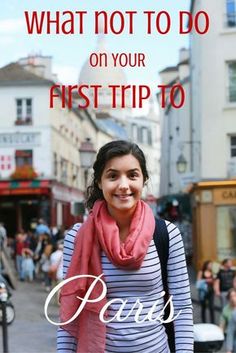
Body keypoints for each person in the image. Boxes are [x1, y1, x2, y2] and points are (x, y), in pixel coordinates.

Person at [57, 140, 193, 353]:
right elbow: (70, 314)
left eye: (132, 175)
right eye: (112, 176)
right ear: (100, 182)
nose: (123, 185)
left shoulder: (166, 234)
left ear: (144, 180)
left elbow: (182, 308)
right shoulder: (77, 238)